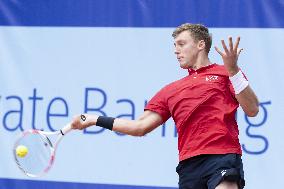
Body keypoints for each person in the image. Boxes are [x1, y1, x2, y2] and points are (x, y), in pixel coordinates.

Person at [71, 23, 259, 189]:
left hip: (221, 157)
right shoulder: (171, 91)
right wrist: (95, 119)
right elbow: (139, 127)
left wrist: (233, 69)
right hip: (189, 166)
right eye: (174, 45)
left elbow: (252, 109)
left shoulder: (226, 73)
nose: (175, 50)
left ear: (201, 44)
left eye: (181, 44)